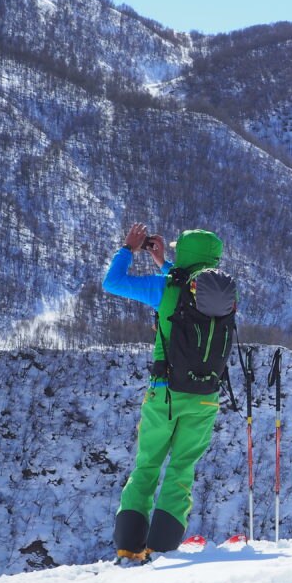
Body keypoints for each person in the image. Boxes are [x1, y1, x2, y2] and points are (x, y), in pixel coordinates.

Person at [102, 224, 231, 561]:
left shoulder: (164, 289)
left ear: (185, 255)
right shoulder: (225, 296)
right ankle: (161, 550)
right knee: (182, 469)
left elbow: (112, 282)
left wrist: (128, 250)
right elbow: (191, 287)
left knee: (147, 465)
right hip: (205, 397)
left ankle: (130, 548)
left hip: (165, 393)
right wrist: (164, 263)